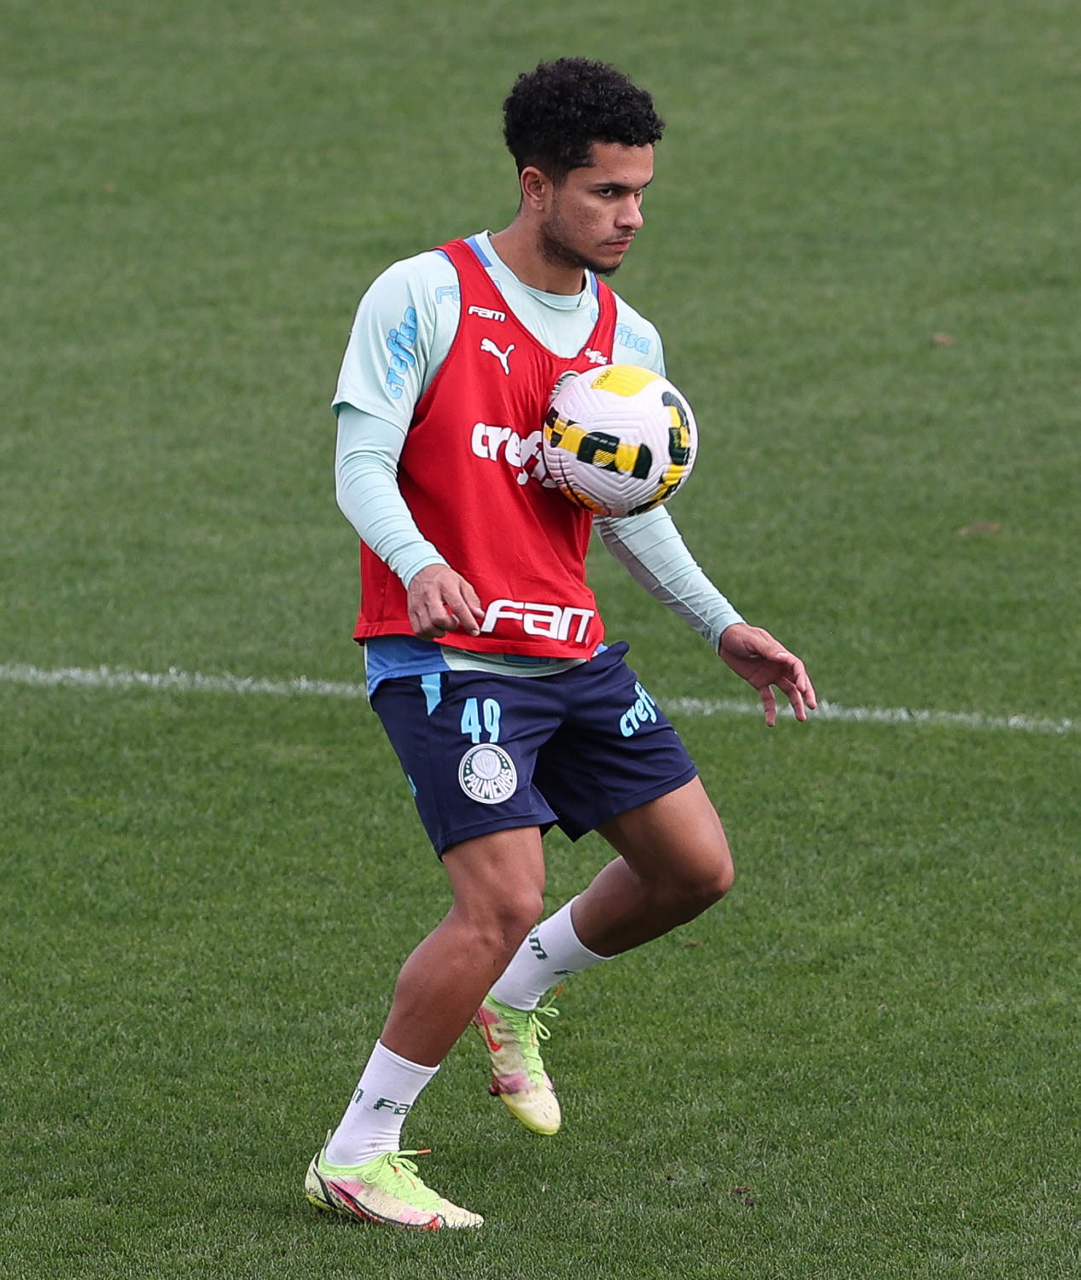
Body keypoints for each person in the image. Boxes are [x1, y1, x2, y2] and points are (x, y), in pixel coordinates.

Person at [305, 56, 816, 1230]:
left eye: (640, 193)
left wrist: (721, 622)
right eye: (606, 193)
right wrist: (419, 560)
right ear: (537, 185)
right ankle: (357, 1152)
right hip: (447, 657)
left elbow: (629, 505)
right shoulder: (424, 294)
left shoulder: (624, 332)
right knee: (498, 896)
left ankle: (517, 991)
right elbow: (359, 463)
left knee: (693, 868)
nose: (630, 216)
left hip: (569, 651)